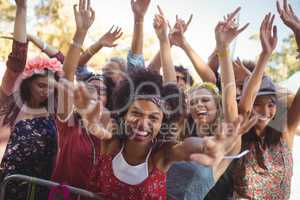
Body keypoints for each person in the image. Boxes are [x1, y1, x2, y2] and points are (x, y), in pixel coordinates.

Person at [166, 7, 252, 200]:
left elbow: (230, 100)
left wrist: (222, 48)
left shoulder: (229, 141)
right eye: (194, 102)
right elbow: (170, 89)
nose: (198, 105)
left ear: (218, 106)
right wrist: (167, 42)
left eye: (205, 100)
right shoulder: (182, 134)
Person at [233, 1, 300, 198]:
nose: (264, 111)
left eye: (270, 104)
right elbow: (244, 108)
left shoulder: (285, 131)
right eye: (257, 104)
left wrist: (297, 30)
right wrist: (265, 55)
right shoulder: (239, 134)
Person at [0, 1, 60, 199]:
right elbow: (17, 59)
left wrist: (36, 39)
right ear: (28, 83)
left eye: (51, 88)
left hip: (38, 192)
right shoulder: (11, 103)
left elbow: (67, 64)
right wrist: (22, 10)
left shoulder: (55, 111)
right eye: (42, 86)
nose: (47, 92)